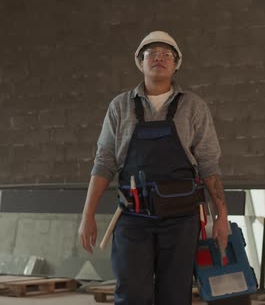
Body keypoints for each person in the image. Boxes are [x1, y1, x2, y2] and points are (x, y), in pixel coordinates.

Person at [78, 31, 229, 305]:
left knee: (175, 295)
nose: (159, 58)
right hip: (133, 217)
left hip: (182, 220)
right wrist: (87, 215)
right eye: (152, 53)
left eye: (167, 54)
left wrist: (222, 216)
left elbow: (209, 164)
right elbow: (104, 162)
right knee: (132, 295)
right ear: (140, 61)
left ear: (176, 64)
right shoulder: (120, 106)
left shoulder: (194, 107)